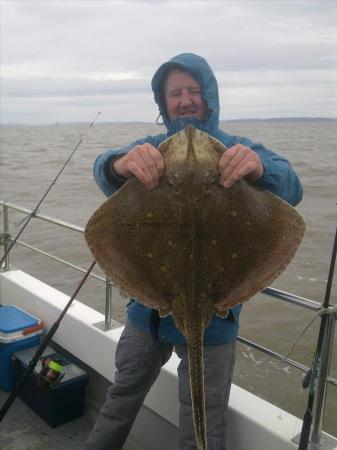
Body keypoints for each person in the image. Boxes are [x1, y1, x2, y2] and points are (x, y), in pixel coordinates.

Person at [85, 53, 303, 450]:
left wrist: (259, 170)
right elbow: (104, 170)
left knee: (202, 421)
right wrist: (120, 164)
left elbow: (292, 188)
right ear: (163, 103)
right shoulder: (150, 147)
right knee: (121, 400)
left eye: (194, 91)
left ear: (210, 96)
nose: (185, 100)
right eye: (175, 93)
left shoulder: (237, 149)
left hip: (215, 318)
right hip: (146, 313)